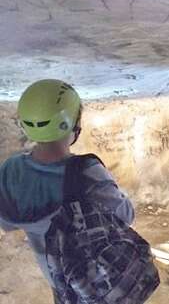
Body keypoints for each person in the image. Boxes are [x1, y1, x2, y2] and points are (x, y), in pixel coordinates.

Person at [0, 79, 135, 303]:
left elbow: (7, 222)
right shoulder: (87, 172)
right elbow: (125, 216)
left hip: (57, 277)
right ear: (71, 124)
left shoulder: (10, 169)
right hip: (96, 275)